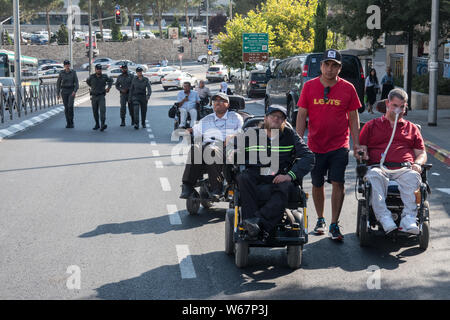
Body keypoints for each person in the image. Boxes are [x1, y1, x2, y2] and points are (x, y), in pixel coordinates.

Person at [296, 49, 365, 241]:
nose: (329, 68)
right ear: (321, 66)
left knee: (338, 181)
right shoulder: (309, 87)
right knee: (317, 183)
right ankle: (320, 219)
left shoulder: (348, 88)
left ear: (339, 68)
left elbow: (353, 117)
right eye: (327, 64)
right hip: (315, 145)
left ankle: (334, 223)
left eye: (334, 65)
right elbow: (302, 115)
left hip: (339, 144)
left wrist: (356, 144)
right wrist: (298, 142)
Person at [236, 105, 315, 239]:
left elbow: (309, 157)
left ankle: (255, 223)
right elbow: (234, 152)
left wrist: (289, 176)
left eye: (280, 117)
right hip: (256, 173)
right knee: (243, 177)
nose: (276, 119)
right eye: (273, 116)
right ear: (266, 118)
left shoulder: (290, 135)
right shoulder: (251, 134)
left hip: (279, 175)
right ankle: (253, 223)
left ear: (284, 121)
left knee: (286, 186)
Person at [359, 88, 427, 235]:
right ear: (388, 104)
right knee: (374, 176)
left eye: (402, 106)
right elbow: (361, 148)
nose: (399, 110)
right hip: (379, 167)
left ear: (406, 106)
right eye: (395, 105)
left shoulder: (412, 128)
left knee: (414, 177)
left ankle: (408, 219)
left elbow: (421, 153)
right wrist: (362, 154)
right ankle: (384, 218)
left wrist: (418, 163)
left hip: (404, 169)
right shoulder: (371, 126)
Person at [179, 92, 243, 199]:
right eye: (215, 101)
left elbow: (243, 132)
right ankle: (187, 185)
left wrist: (232, 136)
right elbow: (194, 131)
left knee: (211, 150)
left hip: (226, 147)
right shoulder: (207, 119)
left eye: (221, 100)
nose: (218, 103)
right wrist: (187, 131)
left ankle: (216, 188)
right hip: (207, 145)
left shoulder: (236, 117)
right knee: (195, 148)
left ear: (228, 104)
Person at [86, 64, 113, 131]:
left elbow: (111, 80)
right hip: (94, 96)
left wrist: (108, 88)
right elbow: (88, 82)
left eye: (100, 69)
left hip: (101, 96)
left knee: (102, 110)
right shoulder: (91, 77)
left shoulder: (104, 76)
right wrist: (93, 88)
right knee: (95, 111)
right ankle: (97, 124)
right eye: (97, 69)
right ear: (95, 70)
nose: (99, 70)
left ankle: (103, 124)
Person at [56, 60, 79, 128]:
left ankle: (71, 122)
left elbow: (77, 83)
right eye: (65, 64)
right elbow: (58, 83)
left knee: (70, 106)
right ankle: (68, 122)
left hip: (71, 91)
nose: (67, 65)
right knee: (66, 107)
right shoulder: (61, 72)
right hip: (64, 91)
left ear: (69, 65)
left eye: (68, 64)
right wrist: (58, 93)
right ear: (64, 65)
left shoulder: (73, 72)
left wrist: (74, 91)